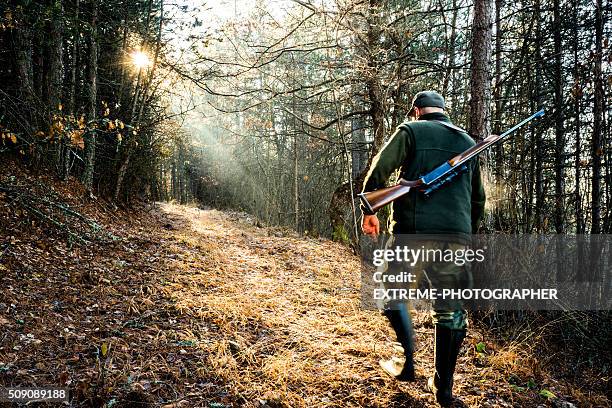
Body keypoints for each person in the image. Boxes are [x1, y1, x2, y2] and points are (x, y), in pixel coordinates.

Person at [361, 91, 486, 407]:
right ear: (444, 112)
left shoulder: (410, 130)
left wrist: (369, 209)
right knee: (452, 309)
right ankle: (443, 390)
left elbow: (379, 172)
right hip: (456, 237)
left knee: (392, 291)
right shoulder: (468, 143)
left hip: (413, 233)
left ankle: (407, 364)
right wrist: (463, 232)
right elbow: (478, 199)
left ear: (416, 111)